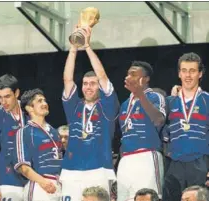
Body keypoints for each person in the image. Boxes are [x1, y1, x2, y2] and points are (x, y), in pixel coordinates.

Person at [60, 27, 119, 200]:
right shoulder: (74, 107)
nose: (88, 87)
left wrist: (86, 47)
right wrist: (73, 48)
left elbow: (102, 76)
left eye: (93, 83)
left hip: (99, 168)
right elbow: (67, 79)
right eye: (85, 83)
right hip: (71, 169)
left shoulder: (107, 106)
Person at [162, 52, 209, 201]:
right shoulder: (169, 101)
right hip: (175, 164)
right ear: (179, 74)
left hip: (200, 162)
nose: (188, 75)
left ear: (200, 74)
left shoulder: (207, 100)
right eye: (184, 71)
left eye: (192, 71)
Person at [117, 61, 166, 201]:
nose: (128, 77)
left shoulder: (154, 96)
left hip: (147, 156)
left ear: (145, 79)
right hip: (126, 159)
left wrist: (140, 95)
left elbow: (159, 120)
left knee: (149, 197)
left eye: (133, 74)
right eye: (128, 73)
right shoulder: (125, 104)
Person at [13, 88, 63, 201]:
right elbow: (23, 167)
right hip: (39, 186)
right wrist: (43, 182)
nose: (45, 104)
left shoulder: (54, 132)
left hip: (58, 185)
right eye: (39, 101)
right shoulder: (24, 132)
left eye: (45, 101)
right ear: (29, 108)